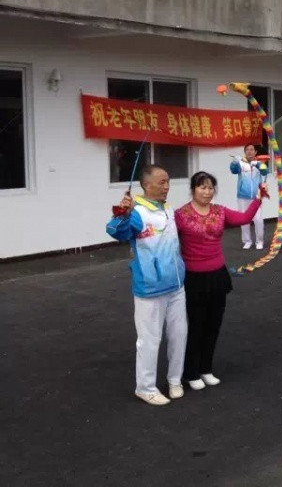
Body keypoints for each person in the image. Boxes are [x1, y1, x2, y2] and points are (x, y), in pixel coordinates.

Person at [175, 171, 266, 391]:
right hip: (194, 277)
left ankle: (206, 369)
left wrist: (258, 199)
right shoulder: (180, 214)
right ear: (193, 189)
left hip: (217, 276)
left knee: (213, 325)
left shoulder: (220, 212)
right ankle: (190, 372)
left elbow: (244, 219)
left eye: (210, 187)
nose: (207, 192)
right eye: (202, 187)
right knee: (196, 325)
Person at [106, 165, 188, 406]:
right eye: (161, 182)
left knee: (178, 335)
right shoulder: (137, 212)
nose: (167, 187)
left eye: (168, 181)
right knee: (149, 339)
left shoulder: (168, 209)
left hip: (176, 286)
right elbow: (115, 231)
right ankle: (145, 387)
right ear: (145, 185)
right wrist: (122, 213)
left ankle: (175, 380)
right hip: (150, 289)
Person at [230, 143, 269, 250]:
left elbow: (266, 171)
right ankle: (247, 241)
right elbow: (233, 170)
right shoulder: (241, 164)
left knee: (258, 220)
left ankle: (259, 241)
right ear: (245, 152)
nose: (250, 151)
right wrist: (234, 163)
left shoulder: (260, 164)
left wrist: (256, 164)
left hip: (256, 197)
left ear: (255, 152)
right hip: (242, 197)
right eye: (247, 150)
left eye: (252, 150)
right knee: (243, 219)